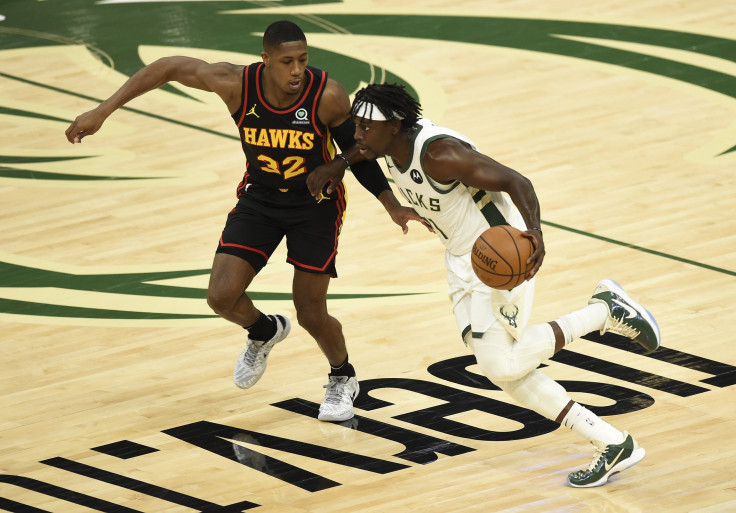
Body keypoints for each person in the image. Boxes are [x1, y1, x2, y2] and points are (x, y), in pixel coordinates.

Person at [64, 22, 425, 422]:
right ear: (265, 59)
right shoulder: (234, 83)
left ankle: (343, 376)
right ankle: (263, 330)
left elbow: (360, 149)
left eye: (302, 60)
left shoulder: (327, 95)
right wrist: (102, 110)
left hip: (314, 206)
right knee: (220, 297)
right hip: (261, 199)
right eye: (286, 62)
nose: (296, 71)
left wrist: (389, 202)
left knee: (310, 312)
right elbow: (166, 66)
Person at [326, 82, 661, 488]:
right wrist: (338, 162)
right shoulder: (384, 143)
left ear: (394, 126)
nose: (357, 134)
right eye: (356, 125)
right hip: (458, 256)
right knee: (504, 370)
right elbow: (361, 149)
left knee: (498, 363)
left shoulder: (440, 155)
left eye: (365, 126)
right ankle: (611, 443)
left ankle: (604, 310)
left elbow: (518, 182)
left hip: (498, 255)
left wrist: (534, 232)